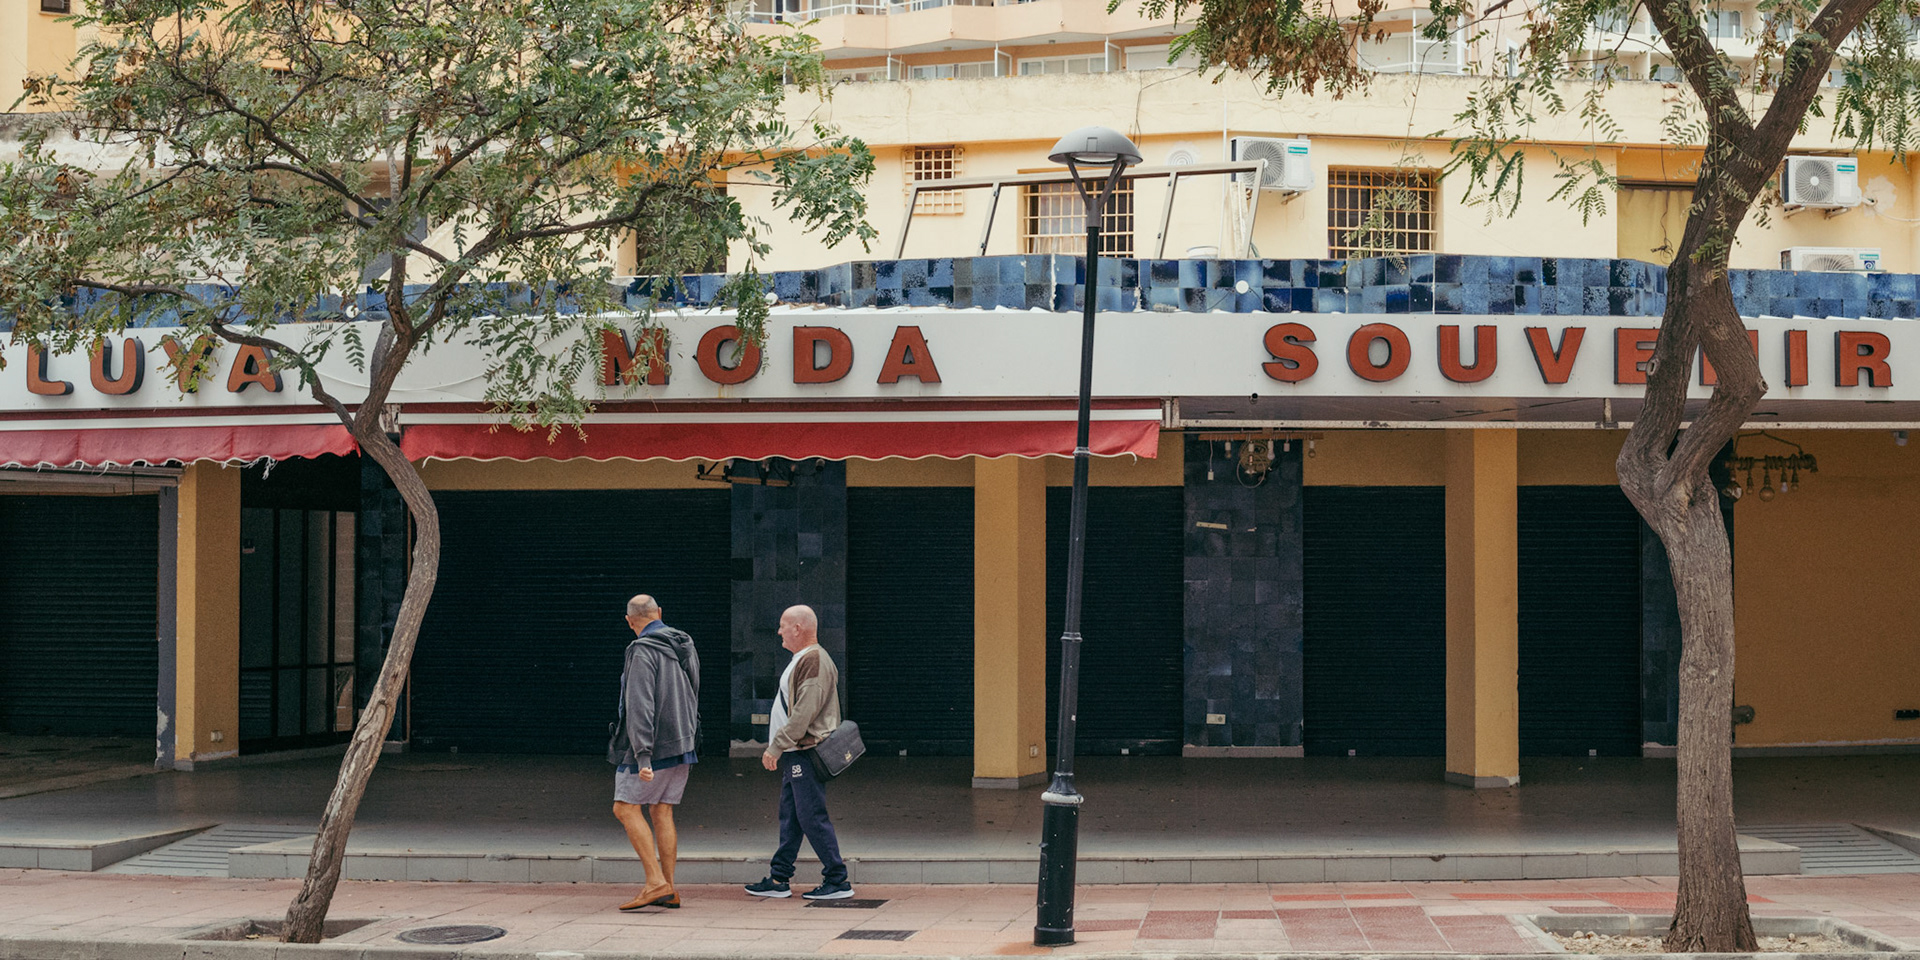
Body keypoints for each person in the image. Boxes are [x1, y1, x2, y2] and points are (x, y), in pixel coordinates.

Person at [743, 604, 854, 900]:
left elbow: (805, 710)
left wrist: (776, 746)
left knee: (810, 815)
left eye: (782, 625)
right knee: (792, 816)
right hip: (796, 752)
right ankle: (779, 878)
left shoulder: (814, 660)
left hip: (803, 751)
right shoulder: (804, 659)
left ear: (798, 628)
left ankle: (838, 880)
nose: (778, 631)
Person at [610, 594, 700, 912]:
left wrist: (643, 755)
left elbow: (639, 704)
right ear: (659, 613)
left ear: (629, 620)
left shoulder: (641, 650)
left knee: (625, 808)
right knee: (662, 811)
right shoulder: (684, 643)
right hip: (683, 742)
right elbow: (694, 690)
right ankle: (669, 888)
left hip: (652, 747)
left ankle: (655, 883)